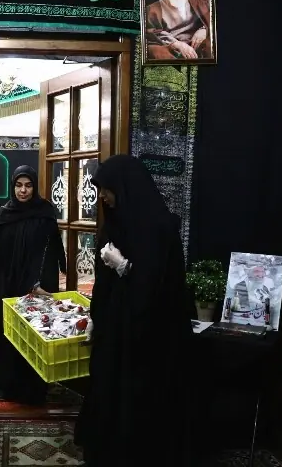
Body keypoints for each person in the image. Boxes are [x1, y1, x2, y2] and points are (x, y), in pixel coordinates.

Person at [74, 155, 193, 466]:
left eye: (106, 189)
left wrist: (126, 267)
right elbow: (105, 281)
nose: (101, 196)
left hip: (147, 334)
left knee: (136, 396)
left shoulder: (159, 228)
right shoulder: (115, 223)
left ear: (123, 187)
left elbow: (159, 289)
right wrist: (96, 318)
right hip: (116, 327)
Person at [0, 165, 67, 404]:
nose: (23, 190)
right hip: (6, 281)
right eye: (19, 185)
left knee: (34, 331)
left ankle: (31, 387)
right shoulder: (6, 212)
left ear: (34, 187)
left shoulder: (44, 211)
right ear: (13, 187)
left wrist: (39, 281)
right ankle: (7, 381)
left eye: (28, 185)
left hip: (34, 281)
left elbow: (50, 249)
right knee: (7, 331)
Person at [145, 0, 212, 60]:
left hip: (197, 45)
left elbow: (210, 19)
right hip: (172, 48)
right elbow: (152, 33)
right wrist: (176, 44)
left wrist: (204, 30)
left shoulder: (196, 1)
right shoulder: (153, 8)